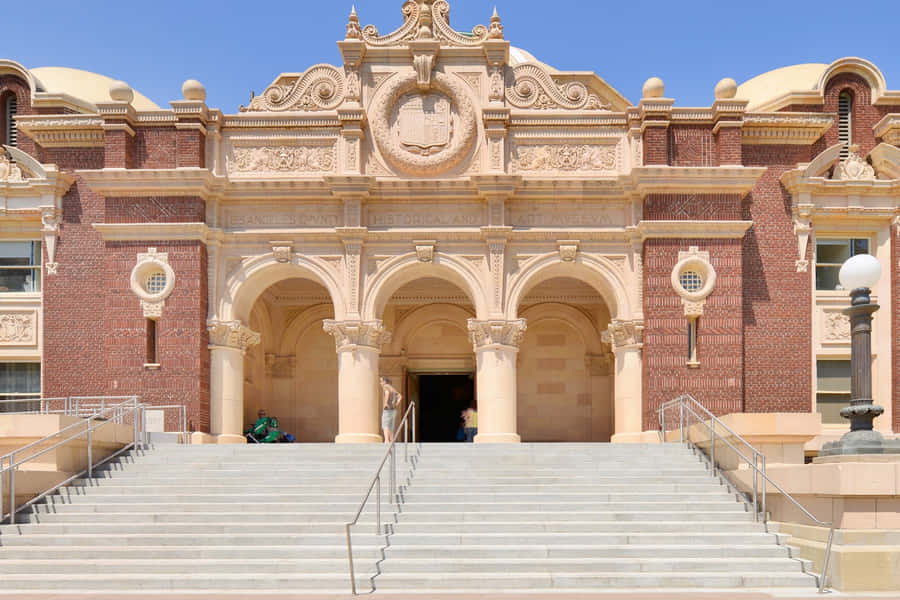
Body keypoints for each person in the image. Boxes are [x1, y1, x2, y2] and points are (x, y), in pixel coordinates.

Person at [380, 376, 401, 443]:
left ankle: (386, 440)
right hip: (393, 410)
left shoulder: (385, 386)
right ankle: (392, 440)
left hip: (387, 409)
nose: (380, 383)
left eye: (381, 381)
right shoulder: (392, 388)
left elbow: (387, 393)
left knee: (385, 424)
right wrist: (396, 404)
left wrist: (385, 403)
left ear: (385, 382)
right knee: (391, 425)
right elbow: (400, 396)